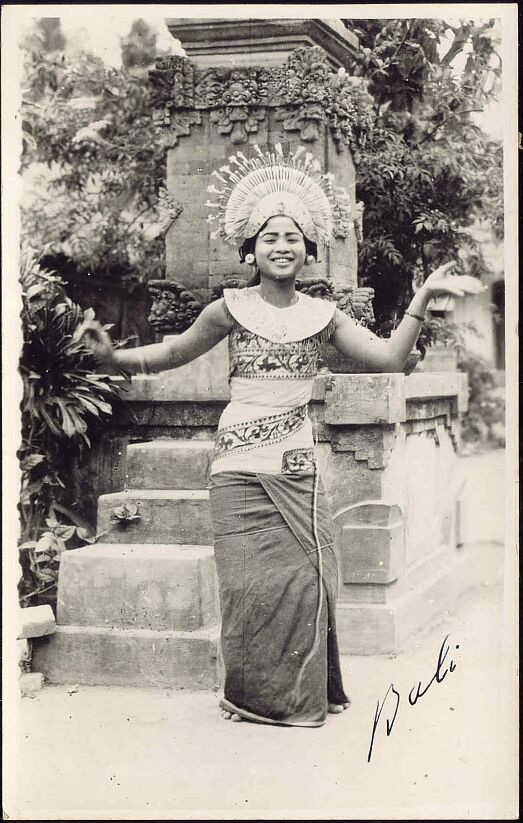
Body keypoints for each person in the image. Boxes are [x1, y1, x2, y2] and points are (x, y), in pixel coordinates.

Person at [77, 143, 483, 728]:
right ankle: (251, 698)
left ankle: (301, 696)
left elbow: (391, 359)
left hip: (295, 462)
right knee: (248, 589)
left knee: (310, 580)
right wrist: (114, 357)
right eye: (270, 237)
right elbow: (170, 353)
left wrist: (420, 299)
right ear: (251, 249)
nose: (282, 246)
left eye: (293, 237)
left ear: (309, 249)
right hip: (237, 466)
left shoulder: (325, 315)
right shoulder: (227, 309)